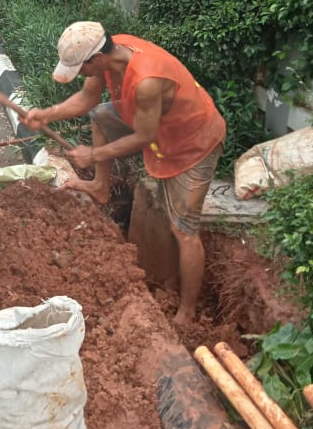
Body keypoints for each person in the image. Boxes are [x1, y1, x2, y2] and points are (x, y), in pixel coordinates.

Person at [24, 22, 226, 325]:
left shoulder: (146, 81)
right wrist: (47, 114)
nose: (79, 73)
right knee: (101, 115)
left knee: (184, 231)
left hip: (193, 140)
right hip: (158, 125)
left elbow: (143, 137)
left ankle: (187, 311)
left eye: (81, 67)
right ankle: (101, 186)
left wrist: (92, 155)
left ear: (96, 59)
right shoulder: (111, 53)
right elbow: (87, 100)